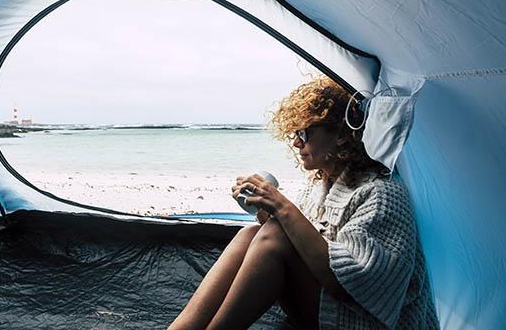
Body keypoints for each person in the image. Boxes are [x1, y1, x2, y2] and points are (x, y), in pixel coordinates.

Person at [169, 76, 439, 329]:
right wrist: (266, 210)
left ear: (342, 135)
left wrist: (282, 207)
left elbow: (344, 286)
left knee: (274, 232)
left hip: (367, 321)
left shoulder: (383, 194)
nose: (297, 142)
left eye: (305, 132)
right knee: (252, 232)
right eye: (294, 134)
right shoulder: (320, 187)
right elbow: (301, 246)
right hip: (327, 308)